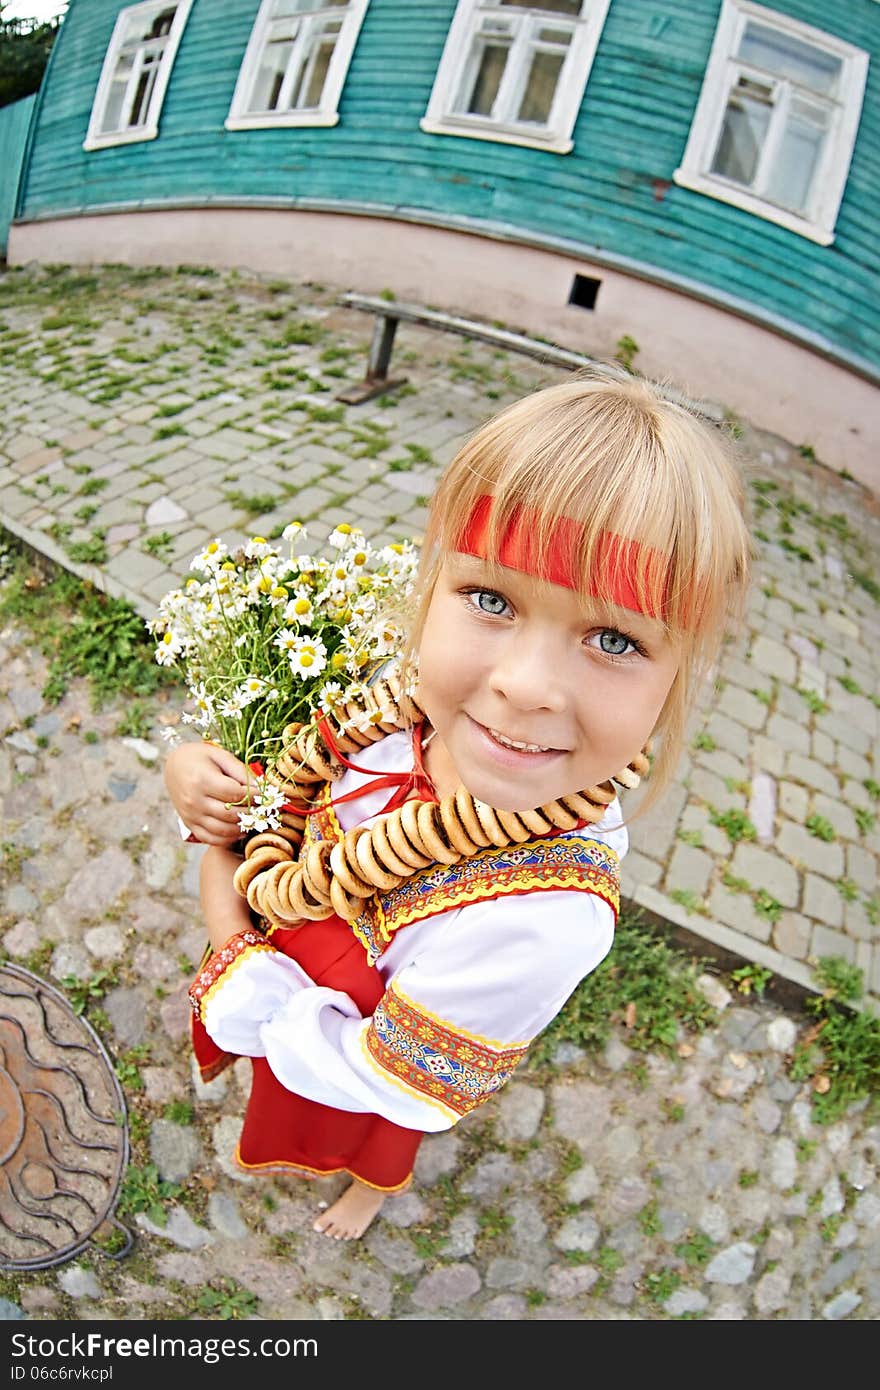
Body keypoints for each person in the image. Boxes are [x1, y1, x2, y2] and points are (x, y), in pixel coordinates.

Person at [164, 370, 751, 1241]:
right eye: (491, 599)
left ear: (677, 681)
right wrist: (197, 783)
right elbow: (281, 791)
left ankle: (367, 1191)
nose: (525, 687)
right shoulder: (389, 710)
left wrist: (231, 943)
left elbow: (395, 1076)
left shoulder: (542, 918)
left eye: (616, 639)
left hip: (362, 1059)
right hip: (298, 967)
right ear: (433, 586)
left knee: (377, 1131)